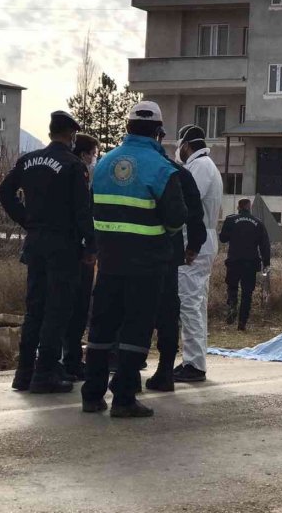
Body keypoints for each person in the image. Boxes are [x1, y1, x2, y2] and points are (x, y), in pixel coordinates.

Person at [81, 101, 187, 418]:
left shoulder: (103, 164)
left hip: (109, 261)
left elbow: (91, 210)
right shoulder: (163, 169)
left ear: (127, 128)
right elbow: (176, 218)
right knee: (135, 328)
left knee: (102, 327)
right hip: (147, 263)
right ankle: (124, 398)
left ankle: (92, 395)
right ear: (158, 132)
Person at [0, 110, 93, 394]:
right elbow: (82, 210)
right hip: (63, 246)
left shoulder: (28, 160)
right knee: (58, 308)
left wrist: (26, 219)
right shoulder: (73, 165)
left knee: (34, 309)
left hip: (35, 242)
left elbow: (4, 192)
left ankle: (24, 372)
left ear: (51, 131)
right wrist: (91, 245)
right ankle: (46, 372)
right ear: (71, 134)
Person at [145, 126, 207, 393]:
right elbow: (190, 211)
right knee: (170, 310)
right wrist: (193, 243)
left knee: (132, 311)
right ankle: (165, 370)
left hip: (126, 252)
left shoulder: (114, 164)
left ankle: (126, 372)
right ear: (158, 137)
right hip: (167, 251)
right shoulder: (176, 170)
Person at [174, 125, 223, 383]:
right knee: (196, 302)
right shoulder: (205, 165)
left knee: (189, 302)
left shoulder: (200, 167)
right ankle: (195, 360)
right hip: (203, 238)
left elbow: (186, 203)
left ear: (186, 145)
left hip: (196, 241)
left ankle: (193, 364)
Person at [61, 132, 100, 381]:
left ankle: (67, 360)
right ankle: (71, 361)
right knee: (76, 308)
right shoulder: (79, 175)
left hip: (62, 249)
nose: (95, 159)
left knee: (65, 308)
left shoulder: (63, 172)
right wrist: (92, 246)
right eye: (93, 154)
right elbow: (84, 214)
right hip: (78, 251)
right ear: (84, 154)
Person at [219, 198, 271, 331]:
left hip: (234, 261)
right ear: (249, 207)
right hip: (250, 263)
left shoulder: (230, 220)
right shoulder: (258, 223)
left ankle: (232, 306)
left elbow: (223, 238)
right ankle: (242, 322)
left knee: (232, 287)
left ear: (238, 207)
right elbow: (265, 245)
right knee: (247, 292)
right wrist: (266, 263)